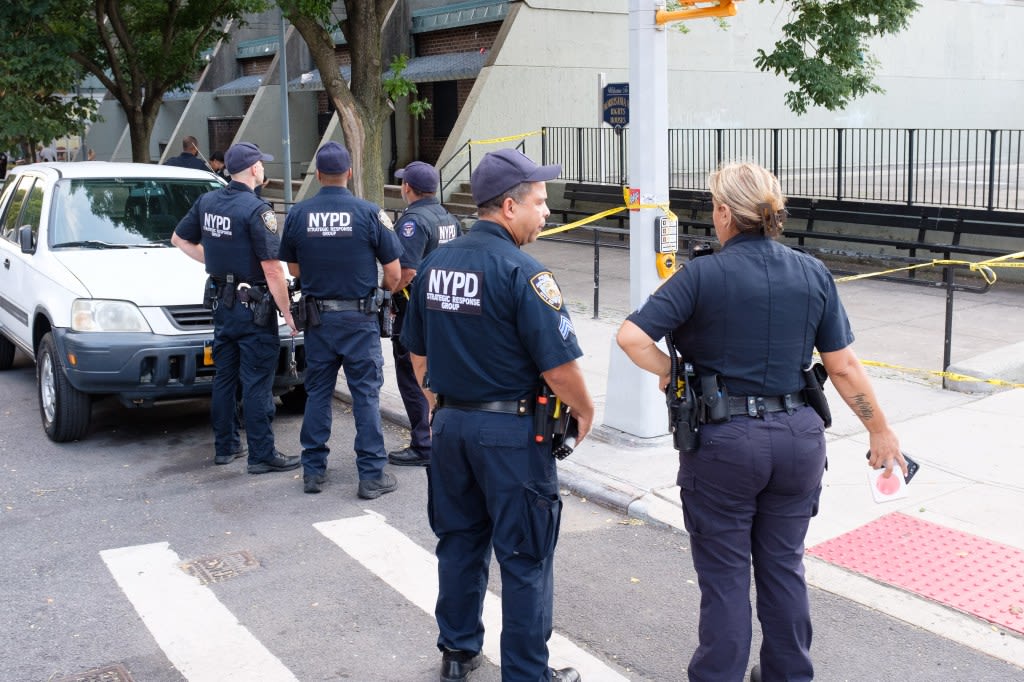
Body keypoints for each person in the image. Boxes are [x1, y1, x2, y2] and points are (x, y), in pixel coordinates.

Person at [615, 161, 906, 682]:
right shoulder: (812, 271)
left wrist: (669, 375)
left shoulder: (701, 275)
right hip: (798, 438)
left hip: (725, 442)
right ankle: (788, 675)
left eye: (713, 206)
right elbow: (842, 366)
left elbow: (632, 338)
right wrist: (879, 430)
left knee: (726, 576)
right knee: (783, 566)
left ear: (725, 212)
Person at [401, 148, 594, 682]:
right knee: (525, 556)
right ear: (509, 207)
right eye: (539, 202)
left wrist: (441, 403)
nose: (546, 212)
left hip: (452, 428)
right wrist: (585, 410)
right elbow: (558, 368)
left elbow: (415, 351)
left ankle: (459, 655)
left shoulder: (436, 265)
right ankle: (528, 674)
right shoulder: (525, 273)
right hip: (512, 436)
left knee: (460, 542)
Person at [278, 141, 403, 497]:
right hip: (360, 320)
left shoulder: (299, 215)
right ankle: (371, 475)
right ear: (349, 173)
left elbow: (293, 268)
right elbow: (393, 272)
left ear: (318, 174)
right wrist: (380, 293)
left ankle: (313, 471)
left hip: (319, 321)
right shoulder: (369, 212)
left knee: (318, 392)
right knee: (365, 394)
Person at [171, 141, 300, 475]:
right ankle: (261, 454)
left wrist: (214, 263)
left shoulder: (208, 201)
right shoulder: (258, 210)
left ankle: (226, 447)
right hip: (253, 309)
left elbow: (179, 239)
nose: (263, 169)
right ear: (255, 169)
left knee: (225, 378)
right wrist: (286, 313)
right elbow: (272, 269)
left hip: (222, 305)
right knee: (257, 382)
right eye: (262, 164)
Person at [386, 161, 462, 468]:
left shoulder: (412, 221)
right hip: (446, 307)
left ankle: (423, 442)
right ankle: (444, 435)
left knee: (411, 374)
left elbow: (406, 272)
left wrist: (386, 290)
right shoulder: (448, 217)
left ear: (407, 188)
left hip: (415, 310)